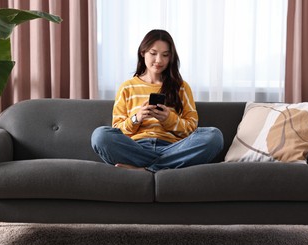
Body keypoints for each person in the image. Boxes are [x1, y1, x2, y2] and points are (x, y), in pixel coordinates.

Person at [91, 29, 223, 172]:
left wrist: (169, 119)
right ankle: (162, 167)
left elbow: (191, 128)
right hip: (136, 149)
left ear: (171, 57)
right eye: (153, 53)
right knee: (100, 135)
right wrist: (137, 118)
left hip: (173, 148)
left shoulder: (182, 87)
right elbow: (117, 129)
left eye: (165, 55)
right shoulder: (127, 87)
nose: (159, 60)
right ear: (143, 53)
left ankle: (146, 169)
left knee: (214, 136)